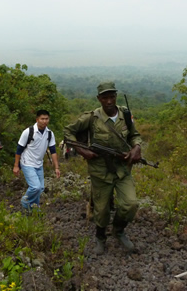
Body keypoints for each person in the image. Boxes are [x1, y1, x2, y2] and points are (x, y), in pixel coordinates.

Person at [63, 81, 142, 254]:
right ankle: (100, 237)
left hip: (122, 169)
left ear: (116, 96)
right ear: (99, 99)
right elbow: (68, 132)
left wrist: (136, 148)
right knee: (102, 209)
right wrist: (82, 151)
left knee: (130, 204)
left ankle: (118, 230)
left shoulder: (125, 115)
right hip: (100, 171)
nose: (109, 101)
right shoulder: (91, 117)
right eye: (104, 97)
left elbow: (135, 136)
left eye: (112, 96)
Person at [13, 109, 61, 211]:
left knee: (41, 188)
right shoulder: (28, 132)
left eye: (46, 119)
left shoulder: (49, 133)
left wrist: (56, 167)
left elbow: (53, 151)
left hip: (39, 163)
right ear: (37, 119)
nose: (44, 121)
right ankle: (25, 201)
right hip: (27, 162)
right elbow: (19, 149)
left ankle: (34, 208)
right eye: (42, 119)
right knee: (35, 187)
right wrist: (16, 165)